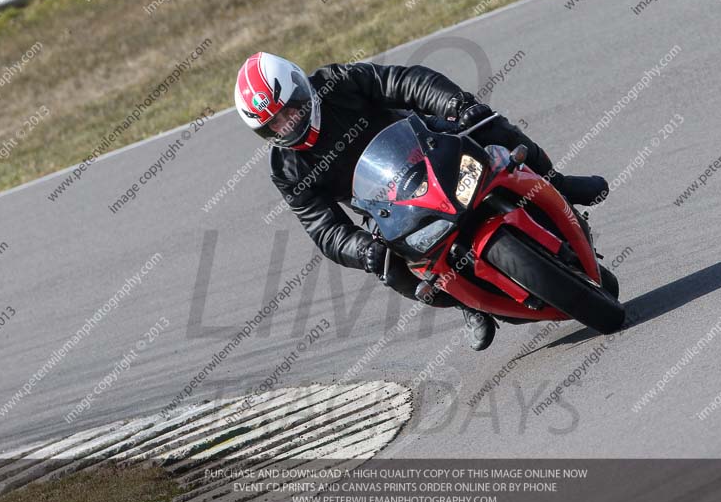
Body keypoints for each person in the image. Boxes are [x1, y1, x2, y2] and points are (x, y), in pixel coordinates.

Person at [234, 52, 608, 351]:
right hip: (385, 207)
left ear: (301, 88)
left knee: (483, 123)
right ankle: (467, 303)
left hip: (429, 146)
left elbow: (403, 81)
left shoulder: (337, 82)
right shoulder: (286, 168)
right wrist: (362, 250)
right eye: (275, 125)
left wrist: (453, 105)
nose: (288, 124)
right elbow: (323, 228)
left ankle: (557, 182)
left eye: (290, 110)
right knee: (389, 269)